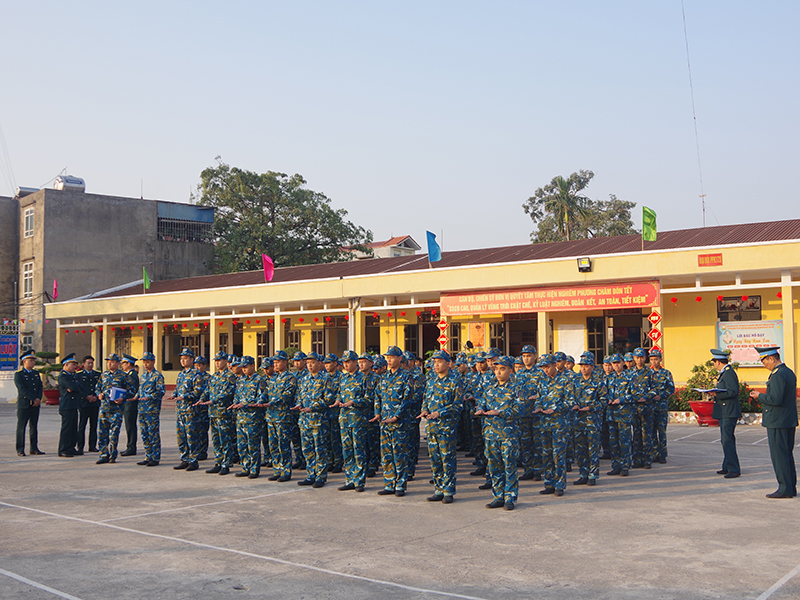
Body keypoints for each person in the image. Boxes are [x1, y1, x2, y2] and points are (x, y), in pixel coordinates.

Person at [749, 346, 797, 498]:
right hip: (787, 420)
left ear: (771, 358)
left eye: (764, 361)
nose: (763, 365)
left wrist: (759, 396)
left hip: (777, 421)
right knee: (787, 455)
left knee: (780, 456)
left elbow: (775, 399)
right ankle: (790, 487)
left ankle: (784, 488)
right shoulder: (788, 372)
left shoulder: (777, 375)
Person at [476, 355, 520, 510]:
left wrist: (500, 412)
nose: (498, 372)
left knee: (509, 466)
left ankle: (510, 497)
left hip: (508, 434)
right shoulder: (490, 387)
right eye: (496, 369)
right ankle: (498, 496)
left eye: (503, 369)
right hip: (490, 434)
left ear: (510, 369)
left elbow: (519, 409)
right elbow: (481, 401)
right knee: (494, 467)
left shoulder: (516, 387)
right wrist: (480, 409)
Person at [420, 349, 463, 504]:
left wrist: (440, 412)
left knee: (447, 459)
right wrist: (424, 410)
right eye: (434, 361)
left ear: (448, 363)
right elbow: (425, 399)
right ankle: (438, 489)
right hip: (432, 428)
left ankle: (448, 490)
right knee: (435, 460)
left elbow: (458, 405)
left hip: (446, 428)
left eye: (439, 361)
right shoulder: (431, 381)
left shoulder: (454, 382)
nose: (436, 364)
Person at [373, 346, 412, 497]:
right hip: (384, 422)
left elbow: (407, 399)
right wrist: (377, 413)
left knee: (399, 455)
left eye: (392, 357)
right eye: (387, 357)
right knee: (386, 455)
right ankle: (389, 484)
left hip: (398, 423)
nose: (389, 360)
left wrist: (397, 416)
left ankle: (400, 485)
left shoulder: (406, 377)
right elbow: (378, 397)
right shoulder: (384, 378)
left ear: (399, 358)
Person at [535, 353, 575, 496]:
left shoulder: (565, 381)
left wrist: (556, 409)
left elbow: (570, 402)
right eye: (543, 367)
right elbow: (538, 399)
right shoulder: (542, 382)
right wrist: (538, 407)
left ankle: (559, 485)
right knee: (546, 454)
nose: (545, 370)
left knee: (558, 455)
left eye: (547, 367)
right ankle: (549, 483)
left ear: (554, 365)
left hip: (559, 423)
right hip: (545, 423)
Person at [293, 352, 332, 488]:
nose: (310, 365)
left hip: (318, 420)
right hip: (304, 420)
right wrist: (299, 404)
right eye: (308, 362)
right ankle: (311, 475)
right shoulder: (304, 379)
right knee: (307, 450)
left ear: (320, 364)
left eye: (313, 362)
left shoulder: (325, 379)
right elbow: (299, 396)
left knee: (320, 449)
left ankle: (320, 476)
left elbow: (328, 399)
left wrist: (312, 407)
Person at [334, 350, 370, 492]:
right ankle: (349, 479)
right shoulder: (343, 378)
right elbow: (339, 393)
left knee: (358, 451)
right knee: (347, 451)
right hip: (344, 419)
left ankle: (359, 481)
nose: (345, 364)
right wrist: (338, 400)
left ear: (356, 362)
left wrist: (353, 402)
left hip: (357, 420)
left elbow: (369, 399)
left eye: (348, 361)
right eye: (344, 362)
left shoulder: (364, 378)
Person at [198, 351, 237, 475]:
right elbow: (207, 390)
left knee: (225, 439)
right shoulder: (213, 376)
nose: (217, 363)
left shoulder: (230, 376)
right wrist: (202, 399)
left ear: (226, 361)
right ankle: (218, 462)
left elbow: (228, 393)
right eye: (216, 361)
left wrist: (213, 400)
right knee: (215, 440)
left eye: (219, 360)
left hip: (223, 413)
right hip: (213, 413)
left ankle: (226, 464)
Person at [572, 353, 607, 485]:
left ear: (592, 366)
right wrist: (573, 405)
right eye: (582, 366)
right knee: (580, 450)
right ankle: (583, 474)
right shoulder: (575, 382)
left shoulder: (598, 382)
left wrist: (590, 407)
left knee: (592, 450)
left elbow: (604, 401)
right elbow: (570, 398)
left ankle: (593, 475)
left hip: (592, 421)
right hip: (578, 421)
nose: (584, 368)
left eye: (586, 366)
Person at [706, 349, 741, 478]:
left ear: (718, 362)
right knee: (725, 440)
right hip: (724, 411)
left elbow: (733, 391)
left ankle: (734, 469)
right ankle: (727, 466)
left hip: (729, 411)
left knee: (728, 440)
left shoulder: (728, 373)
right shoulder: (724, 373)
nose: (714, 365)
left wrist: (717, 394)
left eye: (714, 362)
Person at [230, 356, 267, 479]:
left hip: (253, 418)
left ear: (253, 366)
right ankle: (245, 467)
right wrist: (235, 404)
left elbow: (262, 398)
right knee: (241, 445)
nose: (244, 370)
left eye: (246, 367)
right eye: (242, 367)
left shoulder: (259, 381)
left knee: (253, 445)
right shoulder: (240, 381)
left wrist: (246, 404)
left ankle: (254, 469)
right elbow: (237, 396)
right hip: (241, 418)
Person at [171, 348, 206, 472]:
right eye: (181, 358)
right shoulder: (181, 374)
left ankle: (193, 461)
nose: (183, 360)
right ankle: (184, 459)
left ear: (192, 360)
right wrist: (174, 394)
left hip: (190, 411)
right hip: (180, 410)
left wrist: (184, 397)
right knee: (181, 437)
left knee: (192, 437)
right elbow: (178, 388)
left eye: (185, 358)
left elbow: (198, 392)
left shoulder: (196, 374)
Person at [264, 350, 297, 482]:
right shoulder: (273, 378)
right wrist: (261, 401)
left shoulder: (290, 378)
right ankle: (277, 469)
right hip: (271, 416)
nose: (275, 365)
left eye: (278, 362)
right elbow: (266, 393)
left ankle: (286, 471)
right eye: (274, 362)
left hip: (283, 417)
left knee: (283, 445)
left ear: (285, 362)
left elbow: (287, 394)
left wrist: (272, 402)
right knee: (273, 445)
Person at [95, 353, 134, 464]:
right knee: (102, 433)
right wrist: (99, 394)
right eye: (108, 361)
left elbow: (131, 391)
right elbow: (97, 387)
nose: (109, 363)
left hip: (116, 410)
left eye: (112, 361)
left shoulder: (123, 376)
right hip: (104, 409)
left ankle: (112, 455)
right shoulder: (104, 375)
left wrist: (123, 398)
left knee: (113, 434)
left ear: (118, 363)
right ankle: (103, 455)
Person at [136, 352, 165, 467]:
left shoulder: (158, 376)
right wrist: (136, 396)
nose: (145, 364)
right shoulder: (143, 376)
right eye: (144, 362)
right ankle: (148, 456)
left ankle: (155, 457)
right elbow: (140, 390)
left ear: (153, 362)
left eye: (148, 362)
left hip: (152, 409)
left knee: (153, 433)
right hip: (142, 409)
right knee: (145, 434)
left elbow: (161, 391)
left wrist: (150, 397)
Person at [627, 348, 655, 469]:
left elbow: (655, 389)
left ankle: (647, 460)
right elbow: (625, 390)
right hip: (634, 408)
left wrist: (646, 397)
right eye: (637, 357)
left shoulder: (650, 373)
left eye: (641, 357)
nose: (639, 360)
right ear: (633, 358)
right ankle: (637, 459)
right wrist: (632, 398)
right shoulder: (629, 373)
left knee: (646, 435)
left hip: (646, 408)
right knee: (636, 435)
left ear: (645, 358)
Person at [606, 354, 632, 476]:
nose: (616, 365)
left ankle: (625, 466)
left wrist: (621, 399)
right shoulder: (608, 378)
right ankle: (616, 466)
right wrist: (607, 399)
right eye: (613, 363)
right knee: (613, 442)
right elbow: (603, 392)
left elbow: (636, 394)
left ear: (623, 363)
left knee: (624, 441)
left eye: (618, 362)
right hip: (611, 414)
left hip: (624, 414)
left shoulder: (630, 376)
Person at [14, 350, 44, 456]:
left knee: (34, 427)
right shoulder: (19, 375)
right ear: (24, 362)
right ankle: (20, 449)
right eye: (30, 360)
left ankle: (34, 448)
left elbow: (40, 387)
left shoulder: (36, 374)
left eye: (33, 361)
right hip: (24, 404)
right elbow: (22, 389)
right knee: (21, 427)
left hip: (35, 404)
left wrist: (38, 398)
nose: (33, 362)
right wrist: (33, 398)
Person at [649, 348, 675, 465]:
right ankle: (655, 454)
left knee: (662, 432)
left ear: (660, 359)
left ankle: (663, 454)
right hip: (651, 407)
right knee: (652, 432)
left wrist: (662, 395)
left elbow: (671, 389)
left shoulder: (666, 373)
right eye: (652, 359)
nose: (654, 362)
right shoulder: (648, 374)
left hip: (662, 407)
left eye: (656, 359)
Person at [57, 353, 82, 457]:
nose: (74, 367)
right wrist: (74, 386)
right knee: (66, 428)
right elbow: (73, 386)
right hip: (66, 405)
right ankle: (64, 449)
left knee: (73, 428)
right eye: (72, 365)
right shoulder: (63, 376)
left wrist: (74, 387)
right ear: (66, 365)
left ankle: (71, 447)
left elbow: (79, 386)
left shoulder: (72, 376)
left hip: (73, 405)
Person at [76, 355, 101, 453]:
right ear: (83, 364)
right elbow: (78, 389)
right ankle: (80, 446)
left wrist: (95, 396)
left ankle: (92, 446)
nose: (90, 365)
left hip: (95, 403)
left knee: (93, 425)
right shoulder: (78, 375)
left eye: (92, 363)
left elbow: (100, 387)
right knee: (82, 425)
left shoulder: (97, 374)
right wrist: (86, 397)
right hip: (84, 403)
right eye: (88, 363)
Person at [119, 355, 140, 456]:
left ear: (128, 364)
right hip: (127, 402)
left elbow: (132, 390)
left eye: (124, 363)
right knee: (129, 426)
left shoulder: (131, 375)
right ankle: (130, 446)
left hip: (130, 403)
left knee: (130, 426)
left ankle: (131, 447)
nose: (122, 365)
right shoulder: (128, 374)